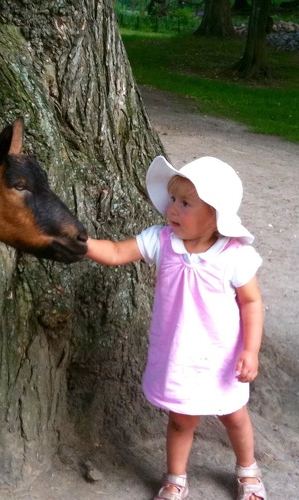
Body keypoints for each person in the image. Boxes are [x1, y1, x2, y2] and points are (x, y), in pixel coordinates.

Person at [86, 156, 266, 500]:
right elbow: (114, 252)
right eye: (173, 200)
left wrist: (250, 350)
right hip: (179, 356)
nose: (173, 209)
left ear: (215, 215)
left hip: (223, 359)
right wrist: (79, 242)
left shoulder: (234, 256)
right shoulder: (161, 241)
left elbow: (252, 303)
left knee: (235, 417)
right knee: (181, 420)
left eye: (186, 203)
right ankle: (175, 478)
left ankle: (247, 469)